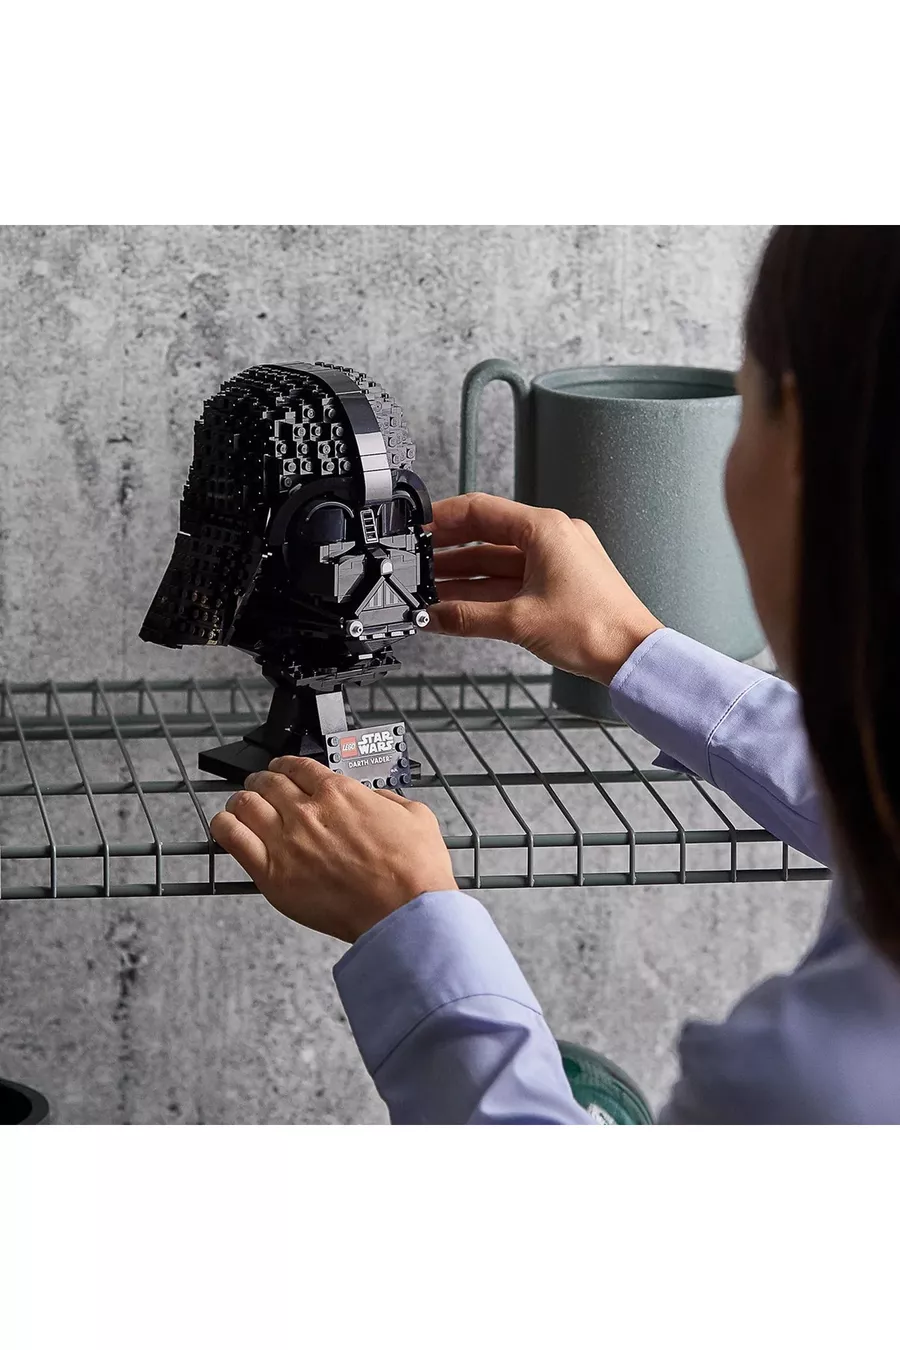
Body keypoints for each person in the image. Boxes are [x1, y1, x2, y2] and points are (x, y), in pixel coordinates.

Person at [210, 225, 900, 1124]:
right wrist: (629, 645)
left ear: (797, 441)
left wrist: (407, 921)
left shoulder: (802, 1086)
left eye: (746, 406)